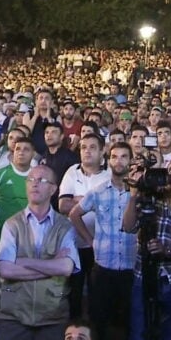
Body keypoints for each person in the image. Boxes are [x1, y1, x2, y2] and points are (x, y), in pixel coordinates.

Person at [0, 165, 81, 340]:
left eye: (41, 180)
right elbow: (6, 270)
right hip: (14, 317)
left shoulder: (64, 226)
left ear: (53, 189)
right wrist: (50, 267)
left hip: (53, 318)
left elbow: (65, 268)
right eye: (31, 180)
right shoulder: (11, 224)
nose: (34, 184)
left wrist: (24, 261)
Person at [122, 158, 171, 340]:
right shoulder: (149, 199)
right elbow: (128, 227)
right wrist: (134, 196)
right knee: (138, 332)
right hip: (144, 275)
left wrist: (167, 250)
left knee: (168, 334)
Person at [68, 142, 138, 340]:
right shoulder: (97, 191)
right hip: (103, 269)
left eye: (124, 156)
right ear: (108, 161)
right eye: (115, 156)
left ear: (131, 161)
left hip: (130, 268)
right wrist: (91, 241)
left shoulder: (139, 193)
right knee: (99, 322)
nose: (119, 161)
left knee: (128, 324)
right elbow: (74, 214)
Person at [0, 136, 37, 322]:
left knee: (23, 279)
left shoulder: (37, 177)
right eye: (18, 148)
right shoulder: (1, 173)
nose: (21, 152)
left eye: (26, 149)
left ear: (33, 154)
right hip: (0, 236)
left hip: (27, 238)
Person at [58, 133, 111, 319]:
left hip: (102, 245)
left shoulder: (110, 175)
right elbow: (63, 205)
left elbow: (112, 208)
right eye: (83, 147)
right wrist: (95, 204)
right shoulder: (72, 172)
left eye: (92, 147)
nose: (87, 151)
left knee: (98, 293)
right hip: (74, 243)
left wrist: (81, 201)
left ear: (102, 150)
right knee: (75, 291)